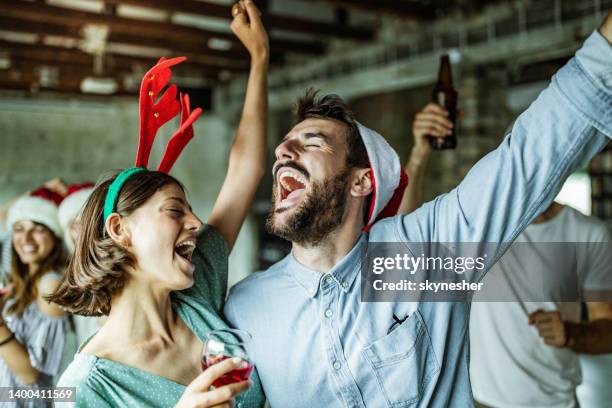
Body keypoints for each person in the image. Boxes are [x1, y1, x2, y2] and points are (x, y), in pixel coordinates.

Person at [223, 14, 612, 407]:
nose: (282, 152)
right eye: (286, 143)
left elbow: (529, 156)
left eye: (313, 142)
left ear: (361, 182)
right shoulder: (245, 307)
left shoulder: (422, 256)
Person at [51, 1, 268, 407]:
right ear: (120, 229)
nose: (196, 221)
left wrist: (259, 58)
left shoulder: (195, 291)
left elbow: (244, 174)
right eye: (175, 210)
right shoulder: (87, 387)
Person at [399, 104, 612, 407]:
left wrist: (572, 333)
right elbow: (402, 244)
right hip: (479, 401)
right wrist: (419, 154)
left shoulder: (589, 234)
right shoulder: (479, 226)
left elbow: (608, 328)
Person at [1, 186, 68, 406]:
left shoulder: (51, 285)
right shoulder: (19, 282)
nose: (26, 237)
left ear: (55, 236)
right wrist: (36, 191)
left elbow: (33, 376)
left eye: (38, 228)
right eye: (19, 228)